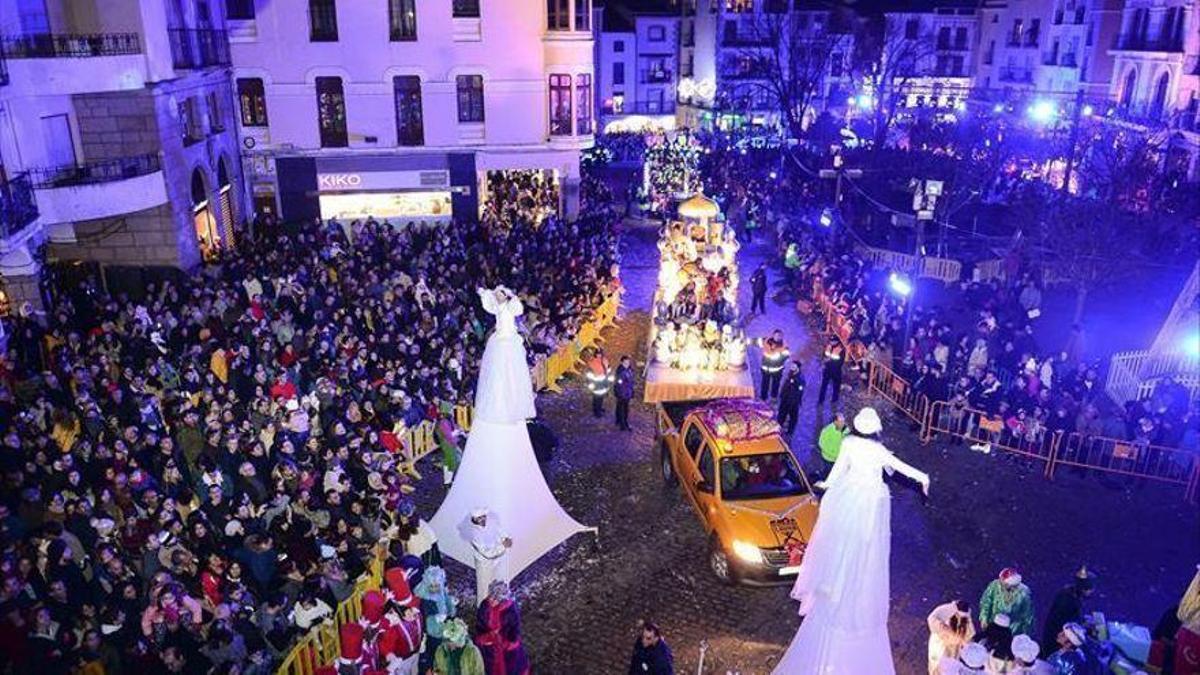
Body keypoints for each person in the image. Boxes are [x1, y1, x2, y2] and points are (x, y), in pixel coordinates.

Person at [775, 407, 930, 674]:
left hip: (849, 497)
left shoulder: (848, 443)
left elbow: (836, 473)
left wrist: (823, 485)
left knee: (840, 540)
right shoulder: (878, 450)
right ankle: (854, 581)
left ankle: (836, 578)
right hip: (870, 502)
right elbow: (902, 467)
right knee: (866, 545)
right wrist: (924, 478)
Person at [476, 286, 537, 423]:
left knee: (512, 369)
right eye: (497, 295)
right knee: (498, 370)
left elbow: (519, 309)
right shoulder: (497, 308)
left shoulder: (510, 306)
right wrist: (484, 293)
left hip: (509, 340)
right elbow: (488, 305)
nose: (498, 297)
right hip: (499, 340)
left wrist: (512, 296)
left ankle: (514, 401)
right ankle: (499, 402)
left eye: (501, 295)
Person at [474, 580, 530, 675]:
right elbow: (480, 624)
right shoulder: (484, 605)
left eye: (495, 599)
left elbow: (514, 628)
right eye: (490, 597)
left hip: (505, 646)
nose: (491, 600)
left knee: (510, 667)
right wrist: (487, 636)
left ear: (501, 600)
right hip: (489, 645)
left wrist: (507, 640)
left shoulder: (510, 609)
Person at [1040, 567, 1095, 658]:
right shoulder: (1070, 601)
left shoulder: (1070, 593)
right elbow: (1068, 626)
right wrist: (1084, 627)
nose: (1091, 592)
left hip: (1055, 635)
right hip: (1055, 641)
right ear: (1083, 588)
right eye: (1090, 589)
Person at [465, 509, 511, 604]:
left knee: (499, 586)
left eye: (483, 516)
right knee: (484, 588)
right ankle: (483, 612)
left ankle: (498, 610)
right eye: (479, 518)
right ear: (474, 519)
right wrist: (503, 546)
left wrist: (507, 539)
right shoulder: (474, 534)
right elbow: (487, 553)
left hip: (498, 561)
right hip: (484, 564)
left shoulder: (492, 525)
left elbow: (503, 534)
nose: (482, 519)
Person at [979, 568, 1034, 636]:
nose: (1001, 584)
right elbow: (986, 602)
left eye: (1004, 583)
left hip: (1013, 631)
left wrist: (1024, 634)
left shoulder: (1024, 593)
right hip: (993, 626)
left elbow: (1027, 615)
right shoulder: (995, 585)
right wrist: (984, 619)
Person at [927, 599, 975, 674]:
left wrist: (965, 643)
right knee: (937, 666)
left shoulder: (965, 619)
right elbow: (932, 620)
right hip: (941, 646)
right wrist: (949, 632)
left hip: (954, 648)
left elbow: (970, 633)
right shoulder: (946, 613)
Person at [816, 413, 849, 480]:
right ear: (835, 422)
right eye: (840, 421)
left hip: (839, 460)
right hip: (828, 459)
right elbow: (821, 443)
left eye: (843, 421)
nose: (842, 423)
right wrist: (834, 455)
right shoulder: (827, 430)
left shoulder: (847, 432)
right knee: (826, 473)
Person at [758, 329, 789, 401]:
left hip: (777, 371)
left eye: (780, 336)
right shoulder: (766, 341)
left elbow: (786, 356)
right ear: (773, 335)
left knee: (775, 385)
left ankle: (773, 398)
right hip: (766, 369)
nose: (778, 337)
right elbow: (755, 341)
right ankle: (763, 398)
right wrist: (744, 341)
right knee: (764, 384)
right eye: (777, 335)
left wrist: (779, 358)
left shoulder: (784, 346)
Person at [777, 361, 805, 436]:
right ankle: (778, 428)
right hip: (785, 399)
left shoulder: (800, 378)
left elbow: (800, 390)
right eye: (792, 365)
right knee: (781, 414)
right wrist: (782, 395)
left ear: (798, 368)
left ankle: (790, 432)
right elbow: (786, 385)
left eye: (794, 366)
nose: (792, 367)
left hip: (793, 402)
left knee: (793, 417)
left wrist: (794, 382)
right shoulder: (790, 374)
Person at [817, 337, 845, 405]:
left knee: (836, 387)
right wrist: (824, 360)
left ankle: (834, 400)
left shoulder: (841, 349)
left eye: (833, 341)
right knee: (824, 385)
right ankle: (821, 400)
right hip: (827, 369)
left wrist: (830, 360)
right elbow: (824, 354)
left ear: (837, 342)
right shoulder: (828, 346)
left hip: (836, 371)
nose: (831, 342)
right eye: (831, 341)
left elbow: (840, 362)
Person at [586, 348, 613, 418]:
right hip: (596, 383)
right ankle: (596, 411)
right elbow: (589, 375)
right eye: (598, 354)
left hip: (603, 382)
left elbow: (608, 370)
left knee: (601, 397)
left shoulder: (605, 361)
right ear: (595, 354)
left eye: (600, 354)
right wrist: (590, 384)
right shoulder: (592, 362)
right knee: (596, 398)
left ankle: (599, 408)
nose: (599, 355)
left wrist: (609, 380)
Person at [614, 355, 635, 431]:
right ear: (621, 362)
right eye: (625, 362)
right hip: (623, 393)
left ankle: (619, 421)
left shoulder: (629, 370)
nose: (627, 364)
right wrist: (619, 392)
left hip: (627, 393)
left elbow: (631, 382)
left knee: (621, 407)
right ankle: (623, 424)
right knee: (624, 409)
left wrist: (632, 391)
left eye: (628, 362)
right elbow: (619, 384)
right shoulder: (621, 372)